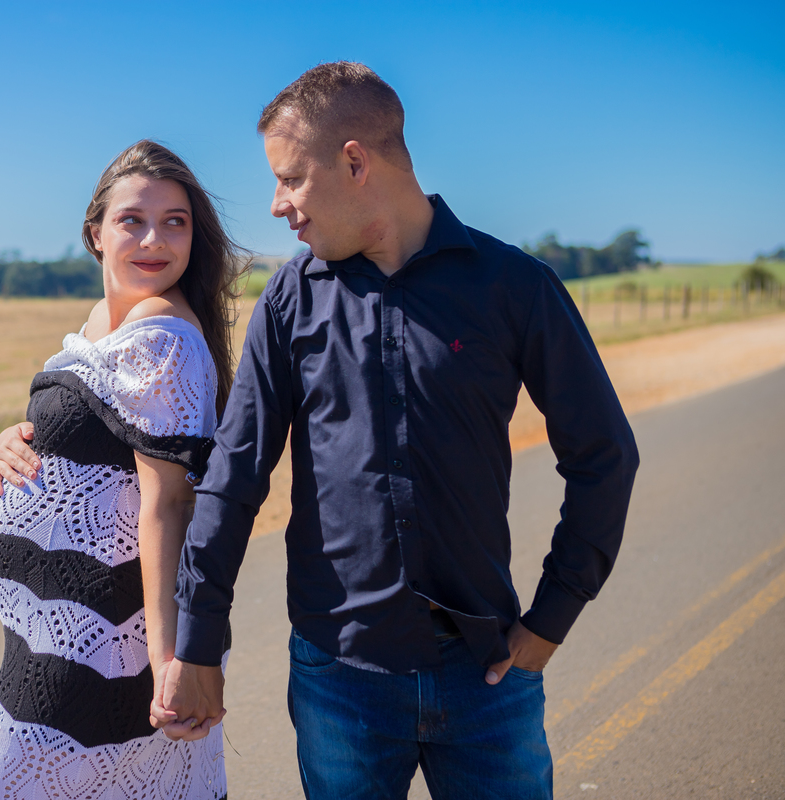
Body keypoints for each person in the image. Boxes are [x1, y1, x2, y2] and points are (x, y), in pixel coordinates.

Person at [158, 63, 640, 799]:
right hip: (337, 679)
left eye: (291, 179)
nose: (278, 205)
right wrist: (197, 643)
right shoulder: (291, 298)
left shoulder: (513, 286)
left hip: (487, 675)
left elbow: (604, 455)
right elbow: (235, 474)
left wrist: (552, 618)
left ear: (355, 162)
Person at [0, 140, 245, 800]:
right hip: (54, 634)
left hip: (109, 641)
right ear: (95, 233)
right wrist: (13, 439)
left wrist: (172, 662)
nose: (155, 239)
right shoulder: (102, 325)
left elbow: (168, 504)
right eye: (132, 220)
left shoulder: (162, 331)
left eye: (175, 222)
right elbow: (90, 432)